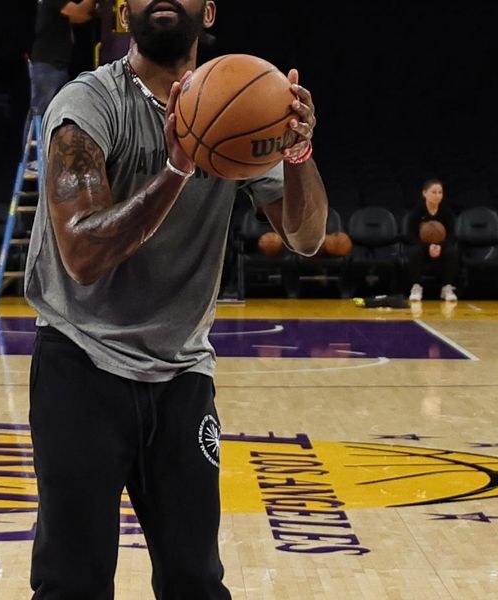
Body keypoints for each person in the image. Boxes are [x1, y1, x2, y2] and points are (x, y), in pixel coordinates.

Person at [23, 0, 328, 597]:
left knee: (195, 580)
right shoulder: (89, 102)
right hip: (81, 365)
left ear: (208, 11)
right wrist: (177, 169)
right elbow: (82, 257)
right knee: (72, 583)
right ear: (122, 11)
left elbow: (306, 236)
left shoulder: (240, 96)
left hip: (182, 371)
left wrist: (297, 152)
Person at [24, 0, 99, 165]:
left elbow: (79, 18)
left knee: (46, 111)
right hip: (47, 63)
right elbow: (77, 12)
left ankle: (37, 158)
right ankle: (34, 160)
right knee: (42, 112)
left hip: (54, 63)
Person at [405, 178, 459, 302]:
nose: (437, 195)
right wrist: (427, 247)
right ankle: (416, 287)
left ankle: (447, 287)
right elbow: (410, 236)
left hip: (441, 248)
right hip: (422, 248)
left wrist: (441, 246)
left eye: (440, 192)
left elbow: (452, 235)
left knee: (453, 251)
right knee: (414, 251)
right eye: (434, 192)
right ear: (425, 193)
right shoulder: (417, 212)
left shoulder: (446, 212)